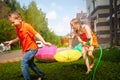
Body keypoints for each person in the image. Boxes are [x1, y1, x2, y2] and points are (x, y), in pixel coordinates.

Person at [4, 11, 51, 80]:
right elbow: (19, 38)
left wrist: (44, 42)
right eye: (11, 23)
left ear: (19, 19)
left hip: (33, 48)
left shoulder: (27, 26)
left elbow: (36, 34)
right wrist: (11, 41)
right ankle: (41, 75)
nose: (12, 25)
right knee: (31, 64)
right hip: (27, 49)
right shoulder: (17, 29)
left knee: (24, 62)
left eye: (13, 22)